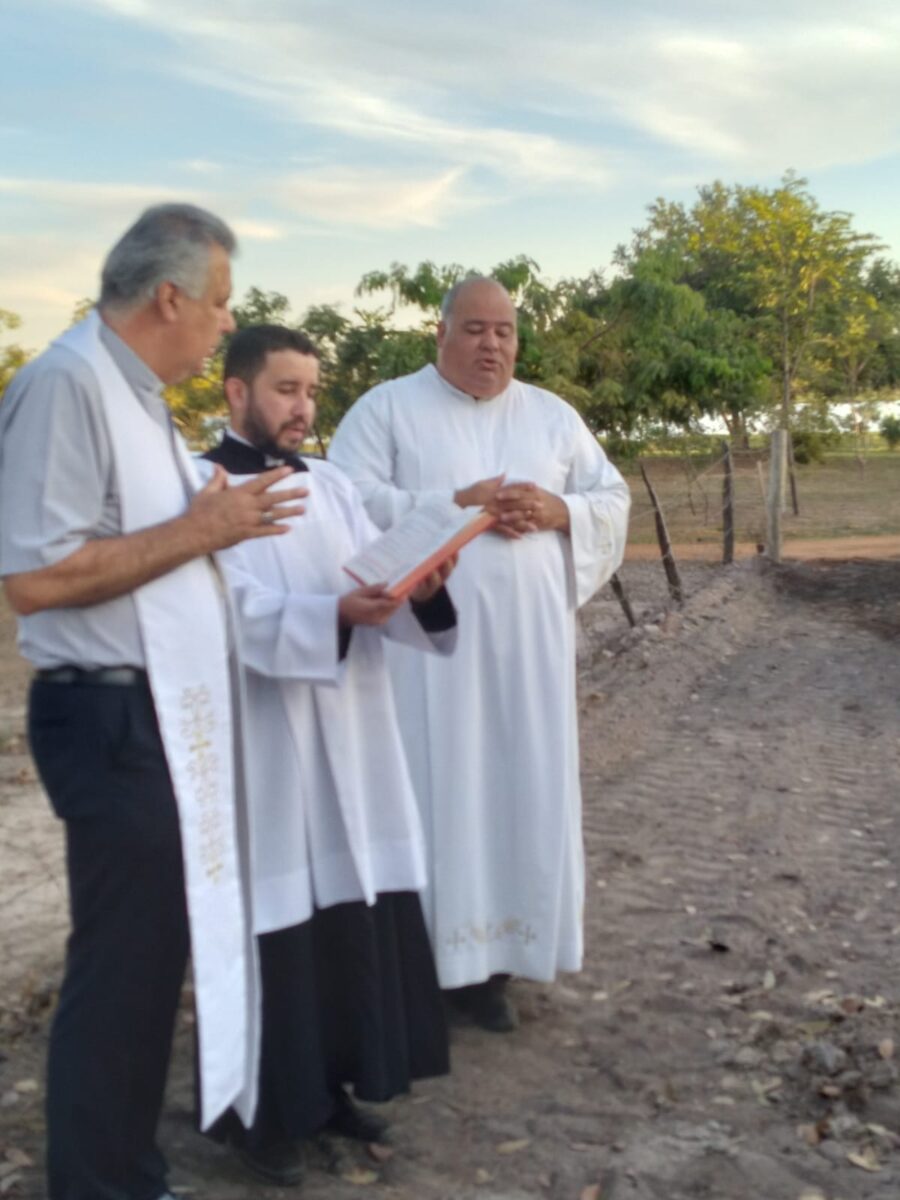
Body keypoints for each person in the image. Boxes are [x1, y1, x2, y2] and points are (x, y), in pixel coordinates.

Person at [0, 206, 308, 1200]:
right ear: (169, 296)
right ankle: (97, 1184)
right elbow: (36, 578)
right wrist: (203, 529)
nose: (227, 325)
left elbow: (162, 526)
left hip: (154, 716)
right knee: (121, 968)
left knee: (149, 961)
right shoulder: (65, 383)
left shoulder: (134, 395)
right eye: (219, 304)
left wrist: (208, 512)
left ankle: (128, 1170)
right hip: (106, 719)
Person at [329, 277, 631, 1032]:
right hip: (426, 660)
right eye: (474, 329)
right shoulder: (386, 408)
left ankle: (496, 963)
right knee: (438, 788)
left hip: (529, 655)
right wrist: (455, 506)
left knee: (519, 784)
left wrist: (560, 509)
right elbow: (346, 503)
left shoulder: (554, 415)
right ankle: (421, 960)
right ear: (440, 334)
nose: (491, 344)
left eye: (504, 330)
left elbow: (611, 498)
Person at [201, 324, 456, 1186]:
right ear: (236, 394)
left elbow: (361, 570)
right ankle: (265, 1118)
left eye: (311, 390)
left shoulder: (333, 483)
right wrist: (330, 619)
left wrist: (416, 585)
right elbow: (222, 614)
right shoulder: (201, 491)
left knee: (348, 918)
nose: (304, 407)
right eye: (285, 389)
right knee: (277, 929)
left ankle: (333, 1088)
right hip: (266, 742)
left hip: (352, 728)